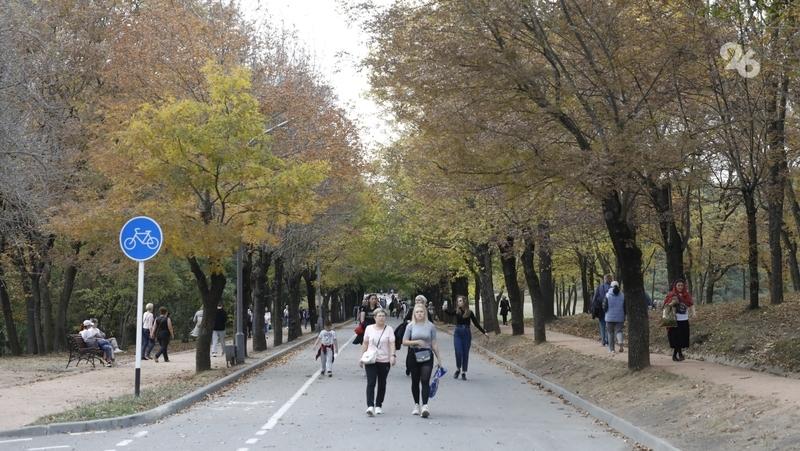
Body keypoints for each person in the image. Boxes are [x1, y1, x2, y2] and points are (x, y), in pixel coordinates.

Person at [403, 302, 442, 418]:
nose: (419, 314)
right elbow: (404, 342)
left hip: (427, 355)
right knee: (415, 381)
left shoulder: (430, 326)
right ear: (414, 314)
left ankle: (425, 406)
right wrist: (416, 342)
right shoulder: (410, 326)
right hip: (413, 354)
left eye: (421, 312)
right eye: (417, 312)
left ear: (425, 313)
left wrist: (439, 359)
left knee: (425, 380)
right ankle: (416, 405)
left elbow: (434, 343)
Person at [359, 308, 395, 416]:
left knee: (382, 383)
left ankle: (379, 405)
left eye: (383, 316)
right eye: (379, 316)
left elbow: (392, 344)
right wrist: (361, 357)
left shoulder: (389, 329)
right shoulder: (369, 328)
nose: (381, 318)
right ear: (375, 317)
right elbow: (365, 343)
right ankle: (370, 406)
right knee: (371, 382)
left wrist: (392, 355)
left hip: (384, 360)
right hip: (371, 359)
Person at [453, 295, 487, 380]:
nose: (458, 302)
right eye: (458, 301)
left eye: (460, 301)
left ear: (464, 302)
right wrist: (444, 309)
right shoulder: (457, 311)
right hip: (458, 333)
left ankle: (464, 372)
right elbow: (449, 313)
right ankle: (458, 369)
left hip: (466, 334)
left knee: (465, 353)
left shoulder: (469, 312)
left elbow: (476, 323)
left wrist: (484, 332)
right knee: (458, 352)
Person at [664, 279, 694, 362]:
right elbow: (666, 305)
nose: (680, 287)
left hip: (684, 318)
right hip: (674, 319)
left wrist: (693, 313)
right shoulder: (671, 294)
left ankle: (680, 353)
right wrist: (672, 303)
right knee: (676, 338)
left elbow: (691, 304)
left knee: (682, 337)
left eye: (682, 285)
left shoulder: (686, 295)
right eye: (678, 285)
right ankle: (675, 355)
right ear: (675, 286)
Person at [604, 281, 625, 355]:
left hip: (609, 317)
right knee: (619, 331)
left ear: (611, 286)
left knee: (610, 333)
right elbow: (625, 307)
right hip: (620, 317)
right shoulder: (622, 295)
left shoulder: (607, 295)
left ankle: (611, 349)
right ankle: (620, 343)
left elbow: (604, 307)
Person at [591, 274, 613, 346]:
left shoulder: (599, 287)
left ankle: (603, 341)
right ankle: (608, 341)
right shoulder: (612, 288)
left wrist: (593, 309)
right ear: (610, 280)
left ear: (605, 279)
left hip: (600, 310)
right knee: (608, 325)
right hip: (610, 310)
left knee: (602, 325)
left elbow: (594, 299)